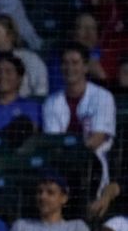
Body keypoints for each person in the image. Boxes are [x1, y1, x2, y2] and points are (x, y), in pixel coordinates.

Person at [42, 42, 117, 196]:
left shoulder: (103, 97)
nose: (69, 68)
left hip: (92, 163)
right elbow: (54, 142)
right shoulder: (51, 102)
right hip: (60, 163)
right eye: (65, 63)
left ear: (86, 67)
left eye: (75, 63)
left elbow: (97, 138)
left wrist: (73, 151)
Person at [2, 173, 92, 231]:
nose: (43, 197)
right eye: (39, 192)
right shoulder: (21, 226)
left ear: (64, 198)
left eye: (50, 193)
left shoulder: (77, 228)